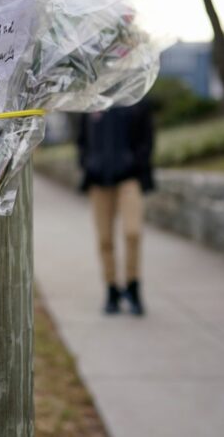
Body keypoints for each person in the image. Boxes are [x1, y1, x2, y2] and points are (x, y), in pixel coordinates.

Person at [77, 101, 155, 316]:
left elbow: (147, 138)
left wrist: (136, 162)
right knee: (105, 239)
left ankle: (133, 286)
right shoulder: (93, 102)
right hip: (98, 180)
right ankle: (111, 288)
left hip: (129, 179)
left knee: (133, 232)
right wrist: (87, 163)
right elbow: (82, 140)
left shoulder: (135, 100)